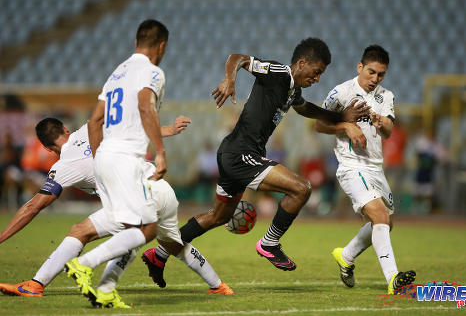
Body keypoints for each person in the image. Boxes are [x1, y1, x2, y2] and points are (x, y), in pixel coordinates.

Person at [141, 37, 370, 282]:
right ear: (302, 63)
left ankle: (159, 254)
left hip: (234, 153)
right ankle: (270, 243)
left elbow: (307, 109)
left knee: (218, 216)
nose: (317, 79)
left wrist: (339, 116)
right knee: (301, 189)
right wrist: (229, 80)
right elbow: (237, 58)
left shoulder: (293, 90)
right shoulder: (278, 72)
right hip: (241, 154)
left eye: (320, 75)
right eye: (316, 72)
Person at [0, 117, 232, 307]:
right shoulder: (90, 127)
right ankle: (219, 286)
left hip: (136, 198)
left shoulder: (62, 167)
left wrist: (1, 237)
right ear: (65, 128)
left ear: (46, 147)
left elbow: (33, 206)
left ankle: (40, 283)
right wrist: (169, 129)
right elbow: (135, 129)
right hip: (163, 190)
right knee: (172, 244)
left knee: (81, 232)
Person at [315, 45, 416, 294]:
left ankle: (346, 255)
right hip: (351, 166)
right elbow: (319, 124)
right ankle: (393, 279)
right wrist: (345, 127)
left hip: (375, 168)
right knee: (380, 217)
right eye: (371, 72)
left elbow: (390, 131)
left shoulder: (386, 96)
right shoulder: (341, 92)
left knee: (385, 222)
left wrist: (381, 123)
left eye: (381, 74)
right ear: (360, 67)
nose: (375, 79)